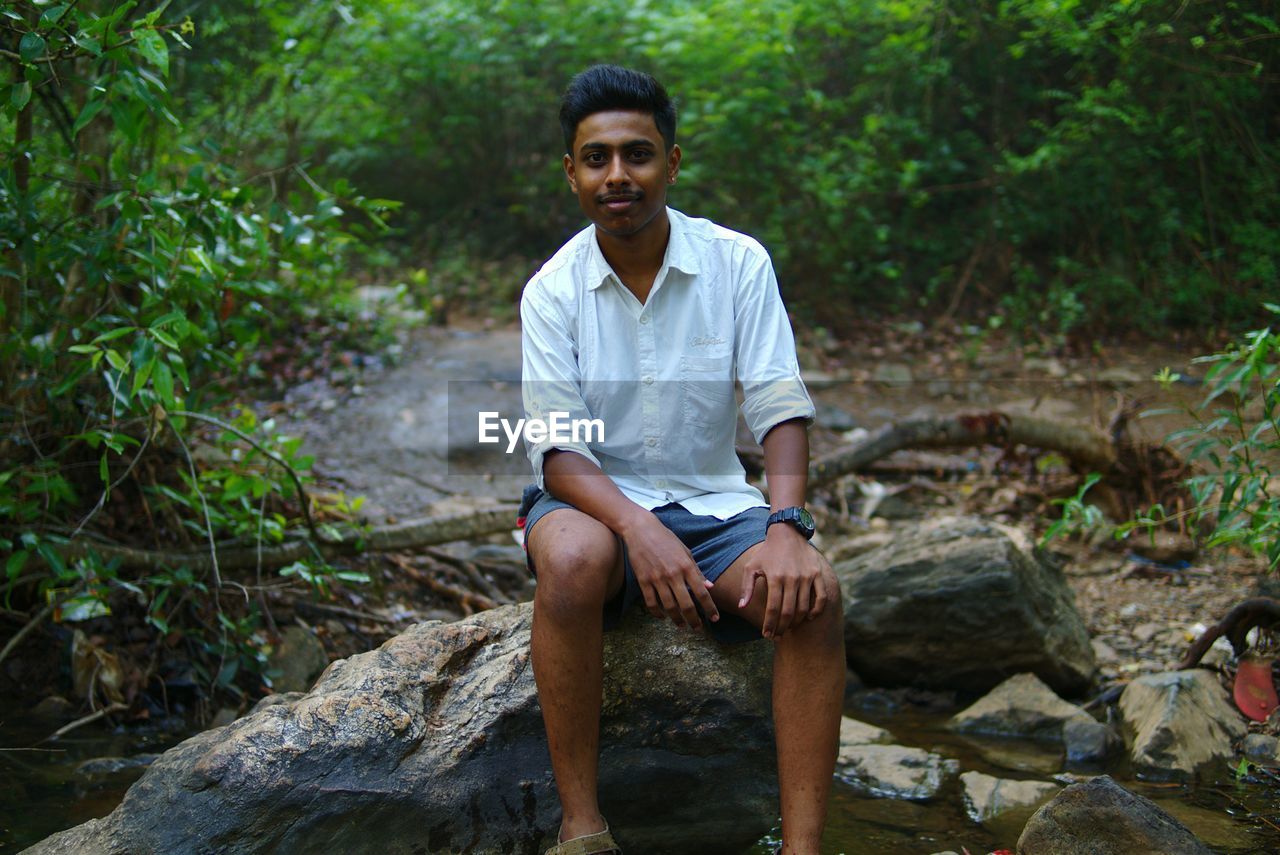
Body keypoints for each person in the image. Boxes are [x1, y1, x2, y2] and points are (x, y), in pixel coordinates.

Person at [518, 64, 845, 855]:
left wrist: (788, 525)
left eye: (638, 153)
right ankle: (582, 824)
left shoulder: (737, 263)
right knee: (572, 558)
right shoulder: (552, 290)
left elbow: (780, 408)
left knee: (813, 594)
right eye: (596, 158)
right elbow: (557, 450)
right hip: (592, 504)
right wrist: (637, 528)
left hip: (714, 505)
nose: (617, 175)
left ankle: (802, 846)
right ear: (572, 171)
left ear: (672, 160)